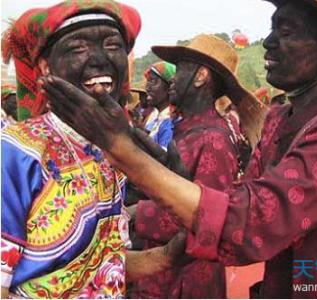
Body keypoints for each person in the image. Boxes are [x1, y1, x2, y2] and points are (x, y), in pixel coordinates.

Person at [42, 0, 317, 298]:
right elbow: (242, 195)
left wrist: (123, 152)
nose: (269, 42)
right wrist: (152, 159)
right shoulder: (283, 120)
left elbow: (250, 223)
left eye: (287, 31)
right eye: (273, 28)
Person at [1, 1, 186, 298]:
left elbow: (105, 264)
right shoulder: (15, 153)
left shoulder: (112, 149)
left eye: (112, 45)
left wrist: (169, 253)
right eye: (77, 48)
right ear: (46, 67)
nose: (100, 59)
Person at [126, 34, 263, 298]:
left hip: (184, 282)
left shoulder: (214, 139)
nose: (174, 79)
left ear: (200, 77)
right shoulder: (189, 129)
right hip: (160, 271)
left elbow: (205, 217)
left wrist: (135, 212)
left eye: (181, 70)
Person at [143, 61, 176, 150]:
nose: (147, 87)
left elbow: (163, 162)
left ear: (169, 87)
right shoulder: (153, 120)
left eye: (153, 81)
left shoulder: (171, 124)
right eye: (148, 82)